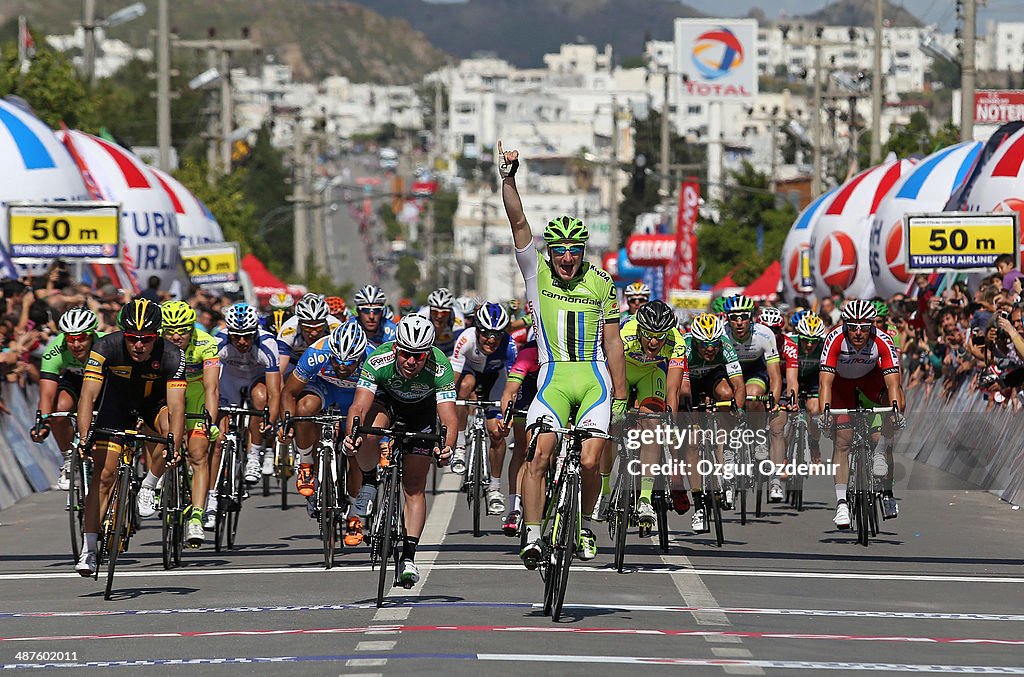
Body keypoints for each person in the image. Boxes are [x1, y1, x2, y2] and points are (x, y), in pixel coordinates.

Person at [498, 140, 627, 569]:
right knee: (539, 455)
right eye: (560, 251)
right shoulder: (536, 271)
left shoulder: (602, 282)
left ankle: (585, 524)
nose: (567, 258)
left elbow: (612, 342)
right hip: (552, 378)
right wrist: (509, 178)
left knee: (591, 459)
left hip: (593, 380)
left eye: (575, 251)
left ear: (584, 252)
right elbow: (518, 221)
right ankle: (533, 534)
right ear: (549, 253)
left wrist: (622, 394)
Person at [73, 299, 187, 576]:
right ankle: (88, 550)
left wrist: (174, 441)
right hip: (116, 406)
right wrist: (85, 435)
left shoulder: (173, 355)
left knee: (168, 433)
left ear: (156, 336)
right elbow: (88, 395)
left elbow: (176, 406)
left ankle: (149, 484)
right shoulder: (104, 347)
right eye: (132, 338)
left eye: (146, 339)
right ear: (122, 334)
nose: (138, 345)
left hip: (155, 404)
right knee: (104, 476)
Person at [343, 314, 458, 585]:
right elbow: (358, 407)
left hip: (422, 412)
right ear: (396, 348)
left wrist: (448, 447)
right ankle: (370, 479)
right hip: (387, 403)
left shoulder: (440, 366)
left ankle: (408, 556)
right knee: (369, 430)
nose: (411, 361)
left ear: (427, 353)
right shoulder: (378, 360)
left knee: (415, 486)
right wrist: (353, 437)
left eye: (419, 356)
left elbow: (450, 418)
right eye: (406, 353)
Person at [819, 299, 905, 528]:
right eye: (853, 326)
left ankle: (884, 478)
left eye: (864, 327)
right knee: (843, 442)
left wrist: (895, 412)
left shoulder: (883, 340)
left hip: (870, 380)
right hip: (841, 385)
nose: (858, 333)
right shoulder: (835, 338)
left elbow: (893, 384)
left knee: (897, 404)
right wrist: (825, 412)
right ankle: (842, 505)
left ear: (872, 326)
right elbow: (825, 383)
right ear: (845, 325)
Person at [280, 321, 372, 537]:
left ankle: (354, 513)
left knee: (354, 452)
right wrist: (287, 423)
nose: (341, 367)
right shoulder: (318, 352)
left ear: (359, 356)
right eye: (337, 361)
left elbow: (382, 402)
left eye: (348, 363)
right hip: (325, 389)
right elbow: (289, 393)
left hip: (355, 398)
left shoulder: (371, 359)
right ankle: (306, 463)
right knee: (304, 409)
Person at [156, 301, 220, 547]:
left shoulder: (206, 343)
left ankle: (196, 515)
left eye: (182, 330)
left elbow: (211, 388)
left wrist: (209, 420)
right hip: (168, 394)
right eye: (170, 330)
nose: (176, 336)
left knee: (198, 453)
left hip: (196, 396)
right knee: (163, 434)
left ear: (191, 328)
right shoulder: (158, 345)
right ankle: (156, 480)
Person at [449, 302, 518, 516]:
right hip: (471, 374)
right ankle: (460, 445)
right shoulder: (466, 339)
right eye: (487, 333)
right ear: (478, 330)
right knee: (463, 389)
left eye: (497, 334)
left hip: (495, 380)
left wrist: (508, 414)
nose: (492, 339)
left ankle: (495, 488)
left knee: (497, 434)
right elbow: (452, 382)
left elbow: (513, 384)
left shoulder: (509, 345)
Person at [32, 307, 104, 490]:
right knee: (60, 410)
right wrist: (43, 423)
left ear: (92, 335)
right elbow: (47, 392)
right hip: (74, 381)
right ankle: (69, 457)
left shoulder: (105, 345)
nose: (76, 344)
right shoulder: (55, 349)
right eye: (71, 338)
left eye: (82, 338)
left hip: (103, 383)